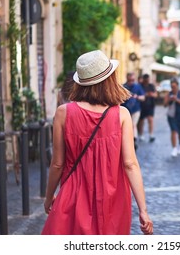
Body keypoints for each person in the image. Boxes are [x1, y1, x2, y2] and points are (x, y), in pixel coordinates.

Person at [41, 50, 153, 235]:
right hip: (113, 199)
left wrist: (48, 197)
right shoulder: (121, 115)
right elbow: (130, 164)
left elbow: (58, 163)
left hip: (73, 195)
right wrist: (143, 210)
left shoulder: (63, 113)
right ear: (109, 79)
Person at [122, 72, 145, 150]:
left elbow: (143, 98)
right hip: (126, 110)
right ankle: (129, 140)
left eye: (133, 80)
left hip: (135, 110)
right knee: (126, 127)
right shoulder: (123, 87)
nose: (131, 81)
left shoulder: (138, 87)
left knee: (133, 125)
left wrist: (137, 96)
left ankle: (133, 140)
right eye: (130, 80)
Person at [164, 77, 180, 157]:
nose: (173, 88)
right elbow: (164, 105)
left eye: (174, 86)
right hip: (171, 115)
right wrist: (169, 100)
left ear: (177, 86)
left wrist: (177, 100)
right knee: (173, 131)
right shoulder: (168, 94)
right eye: (171, 86)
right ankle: (174, 148)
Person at [138, 74, 157, 143]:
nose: (147, 81)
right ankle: (141, 134)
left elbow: (155, 94)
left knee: (150, 120)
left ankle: (151, 135)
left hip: (150, 106)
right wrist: (145, 94)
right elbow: (139, 94)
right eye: (146, 80)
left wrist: (152, 94)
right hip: (142, 106)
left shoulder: (151, 86)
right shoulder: (140, 86)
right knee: (141, 121)